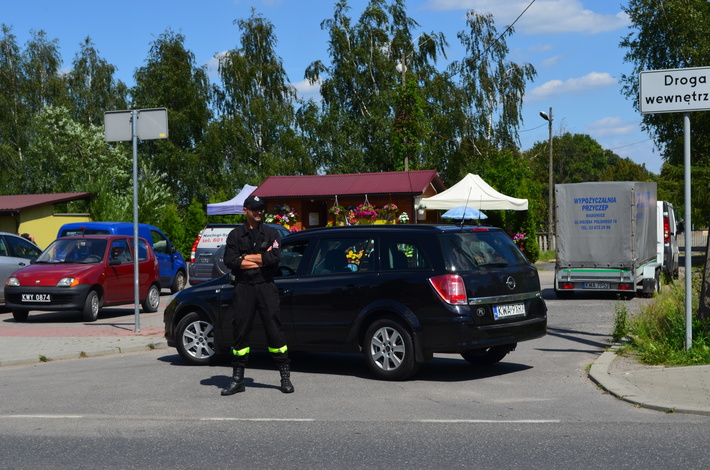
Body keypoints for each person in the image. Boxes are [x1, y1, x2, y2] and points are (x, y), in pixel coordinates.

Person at [220, 194, 294, 395]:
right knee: (240, 331)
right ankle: (238, 380)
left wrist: (245, 258)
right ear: (245, 210)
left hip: (265, 286)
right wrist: (259, 259)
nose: (259, 212)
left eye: (261, 208)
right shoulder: (235, 235)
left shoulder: (271, 233)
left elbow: (273, 259)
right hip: (244, 287)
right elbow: (230, 261)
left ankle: (285, 378)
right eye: (254, 209)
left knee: (274, 330)